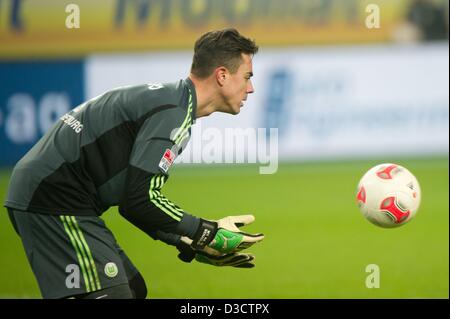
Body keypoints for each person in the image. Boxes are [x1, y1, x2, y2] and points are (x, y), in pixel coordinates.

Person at [4, 28, 264, 299]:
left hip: (52, 196)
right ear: (222, 75)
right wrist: (204, 232)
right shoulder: (173, 113)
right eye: (247, 77)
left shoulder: (173, 102)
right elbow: (140, 199)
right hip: (54, 199)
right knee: (115, 295)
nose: (251, 88)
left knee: (132, 288)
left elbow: (134, 205)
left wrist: (188, 242)